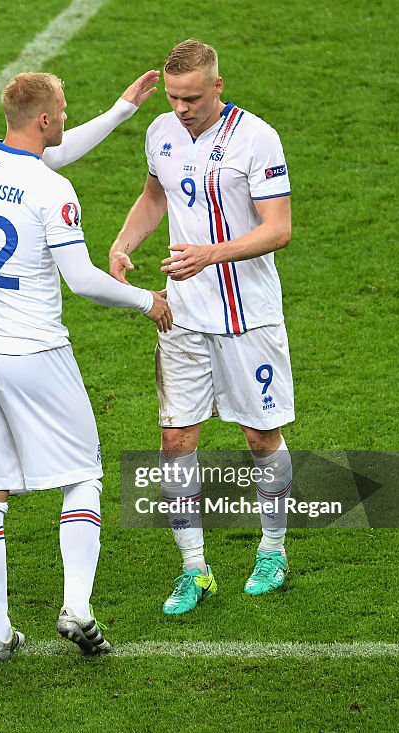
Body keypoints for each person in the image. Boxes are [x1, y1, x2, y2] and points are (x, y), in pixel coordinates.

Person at [0, 70, 171, 660]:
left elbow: (46, 156)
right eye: (65, 110)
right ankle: (77, 604)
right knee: (83, 474)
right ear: (44, 119)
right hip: (32, 352)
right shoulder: (55, 192)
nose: (68, 117)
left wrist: (120, 110)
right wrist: (147, 300)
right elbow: (82, 281)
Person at [109, 39, 295, 614]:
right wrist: (124, 241)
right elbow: (153, 196)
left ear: (217, 86)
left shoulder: (257, 138)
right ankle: (194, 568)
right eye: (173, 97)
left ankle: (273, 551)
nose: (182, 107)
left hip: (247, 317)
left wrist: (210, 255)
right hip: (183, 316)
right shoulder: (161, 131)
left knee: (259, 437)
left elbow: (279, 229)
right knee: (175, 440)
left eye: (191, 97)